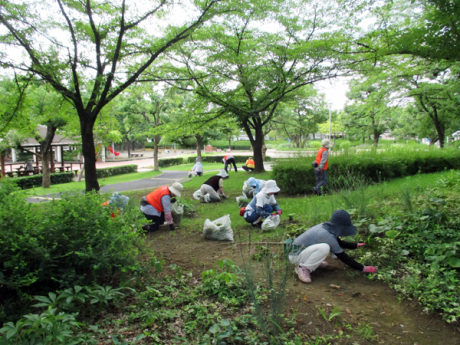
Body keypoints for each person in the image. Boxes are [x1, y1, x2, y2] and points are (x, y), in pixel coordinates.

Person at [289, 210, 377, 284]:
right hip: (295, 256)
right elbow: (343, 257)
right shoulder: (326, 235)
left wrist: (355, 245)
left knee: (325, 247)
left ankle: (311, 262)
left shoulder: (326, 227)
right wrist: (363, 268)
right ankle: (303, 268)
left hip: (301, 252)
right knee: (324, 248)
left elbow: (339, 242)